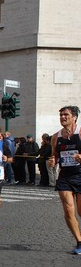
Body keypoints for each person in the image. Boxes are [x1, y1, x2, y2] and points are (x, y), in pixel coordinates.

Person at [49, 106, 81, 255]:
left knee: (80, 211)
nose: (63, 117)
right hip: (65, 177)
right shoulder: (56, 137)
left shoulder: (80, 133)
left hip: (80, 175)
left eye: (66, 115)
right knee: (69, 210)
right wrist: (53, 160)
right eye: (61, 115)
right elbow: (54, 155)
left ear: (74, 117)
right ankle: (79, 241)